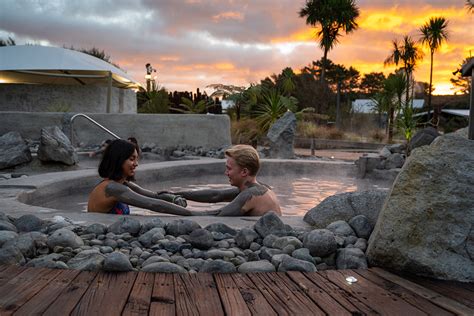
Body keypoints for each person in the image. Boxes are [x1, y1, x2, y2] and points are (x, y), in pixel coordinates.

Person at [87, 139, 215, 216]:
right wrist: (196, 214)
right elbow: (152, 204)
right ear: (118, 160)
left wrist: (174, 197)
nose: (136, 164)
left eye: (136, 159)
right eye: (132, 159)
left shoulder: (122, 184)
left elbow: (153, 196)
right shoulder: (112, 188)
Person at [174, 144, 282, 216]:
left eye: (229, 169)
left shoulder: (251, 195)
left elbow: (214, 215)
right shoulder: (261, 188)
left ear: (244, 172)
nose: (226, 173)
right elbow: (216, 195)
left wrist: (158, 204)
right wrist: (174, 194)